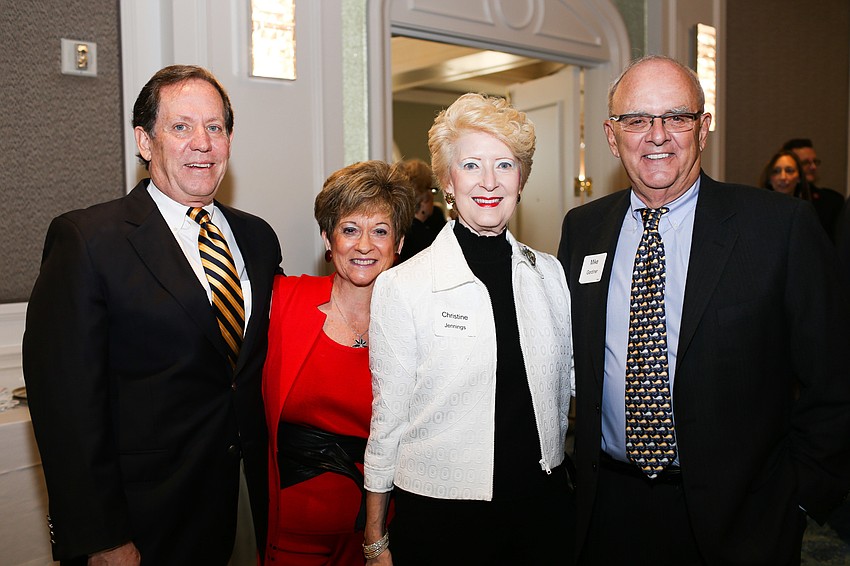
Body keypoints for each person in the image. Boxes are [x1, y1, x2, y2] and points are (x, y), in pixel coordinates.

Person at [557, 54, 850, 565]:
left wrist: (799, 498)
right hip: (608, 509)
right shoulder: (582, 229)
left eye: (676, 116)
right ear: (612, 135)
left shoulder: (779, 228)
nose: (657, 135)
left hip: (741, 520)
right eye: (637, 119)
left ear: (703, 127)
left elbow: (836, 378)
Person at [23, 65, 282, 565]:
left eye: (215, 127)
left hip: (247, 502)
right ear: (145, 142)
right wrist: (101, 538)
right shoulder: (88, 241)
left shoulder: (258, 238)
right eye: (181, 126)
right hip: (144, 520)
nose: (202, 143)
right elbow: (65, 408)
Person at [364, 93, 576, 565]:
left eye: (504, 165)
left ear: (521, 179)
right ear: (447, 180)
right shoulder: (403, 285)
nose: (489, 182)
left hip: (542, 511)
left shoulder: (550, 275)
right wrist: (375, 534)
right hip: (442, 520)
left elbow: (576, 382)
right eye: (471, 165)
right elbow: (387, 419)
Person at [262, 160, 414, 565]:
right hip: (288, 536)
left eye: (380, 231)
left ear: (399, 243)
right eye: (349, 229)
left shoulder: (417, 326)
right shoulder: (282, 301)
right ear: (328, 239)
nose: (364, 245)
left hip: (380, 537)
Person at [782, 138, 845, 240]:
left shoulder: (832, 201)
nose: (813, 167)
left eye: (815, 161)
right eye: (805, 162)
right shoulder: (773, 201)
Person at [397, 158, 441, 262]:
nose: (433, 196)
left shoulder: (397, 231)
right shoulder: (427, 241)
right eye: (432, 190)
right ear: (423, 197)